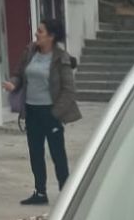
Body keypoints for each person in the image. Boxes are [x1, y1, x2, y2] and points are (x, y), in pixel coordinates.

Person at [6, 18, 81, 204]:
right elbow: (18, 74)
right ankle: (40, 193)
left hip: (50, 111)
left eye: (40, 31)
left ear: (51, 36)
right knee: (35, 152)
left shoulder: (61, 58)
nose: (36, 34)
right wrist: (13, 84)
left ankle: (65, 192)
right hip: (31, 111)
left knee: (57, 153)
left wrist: (55, 113)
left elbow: (69, 90)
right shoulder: (30, 51)